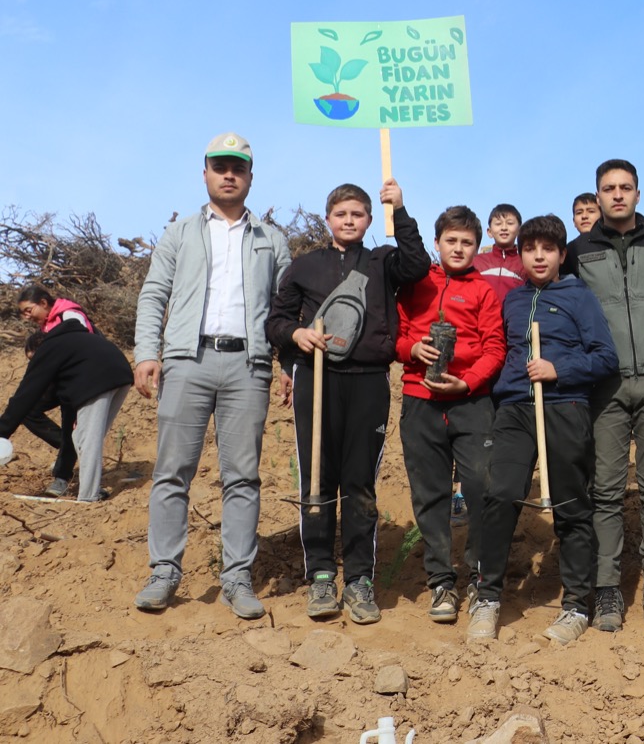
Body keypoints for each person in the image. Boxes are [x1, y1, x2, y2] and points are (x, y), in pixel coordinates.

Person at [132, 133, 292, 619]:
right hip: (187, 361)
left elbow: (286, 310)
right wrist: (146, 352)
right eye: (220, 166)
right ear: (204, 172)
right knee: (172, 472)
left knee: (242, 476)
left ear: (250, 176)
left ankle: (237, 577)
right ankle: (164, 573)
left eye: (238, 167)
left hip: (249, 366)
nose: (229, 174)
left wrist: (287, 364)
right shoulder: (179, 232)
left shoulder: (272, 239)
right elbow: (153, 294)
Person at [267, 179, 430, 625]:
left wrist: (402, 211)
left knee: (359, 483)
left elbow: (418, 265)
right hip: (316, 379)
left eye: (358, 214)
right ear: (328, 220)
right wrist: (295, 335)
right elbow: (277, 319)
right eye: (341, 214)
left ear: (369, 220)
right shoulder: (305, 266)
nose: (349, 221)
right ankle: (321, 576)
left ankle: (359, 579)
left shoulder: (383, 262)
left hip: (369, 381)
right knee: (317, 478)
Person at [470, 214, 618, 645]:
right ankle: (487, 597)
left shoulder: (579, 297)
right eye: (530, 248)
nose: (538, 255)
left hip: (564, 406)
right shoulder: (513, 300)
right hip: (515, 409)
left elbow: (605, 357)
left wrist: (560, 368)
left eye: (547, 249)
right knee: (500, 494)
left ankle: (575, 605)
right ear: (521, 254)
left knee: (572, 506)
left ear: (561, 255)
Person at [563, 159, 644, 631]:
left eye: (625, 187)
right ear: (596, 196)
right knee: (607, 489)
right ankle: (608, 589)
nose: (617, 195)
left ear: (638, 192)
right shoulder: (576, 252)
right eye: (608, 189)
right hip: (604, 382)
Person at [395, 206, 506, 624]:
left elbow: (496, 347)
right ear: (437, 243)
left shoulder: (483, 291)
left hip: (471, 400)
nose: (458, 249)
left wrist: (469, 381)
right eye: (451, 241)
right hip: (419, 397)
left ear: (477, 247)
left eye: (467, 243)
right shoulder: (416, 284)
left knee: (481, 486)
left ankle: (478, 577)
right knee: (430, 493)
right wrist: (411, 351)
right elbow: (398, 334)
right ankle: (442, 581)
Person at [0, 322, 131, 502]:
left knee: (87, 439)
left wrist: (2, 431)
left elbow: (26, 394)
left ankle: (88, 497)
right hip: (121, 375)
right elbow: (62, 399)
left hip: (99, 380)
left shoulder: (50, 349)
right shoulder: (71, 347)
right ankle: (92, 490)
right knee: (80, 437)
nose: (35, 364)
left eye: (34, 359)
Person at [14, 285, 95, 497]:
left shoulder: (71, 315)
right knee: (28, 409)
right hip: (57, 380)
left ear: (43, 303)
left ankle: (62, 477)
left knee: (70, 422)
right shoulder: (46, 326)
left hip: (78, 381)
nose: (26, 317)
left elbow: (82, 344)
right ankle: (69, 447)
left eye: (28, 310)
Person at [474, 203, 527, 302]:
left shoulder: (525, 263)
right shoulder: (477, 262)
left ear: (520, 231)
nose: (504, 228)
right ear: (489, 232)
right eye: (498, 224)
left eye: (510, 223)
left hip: (512, 316)